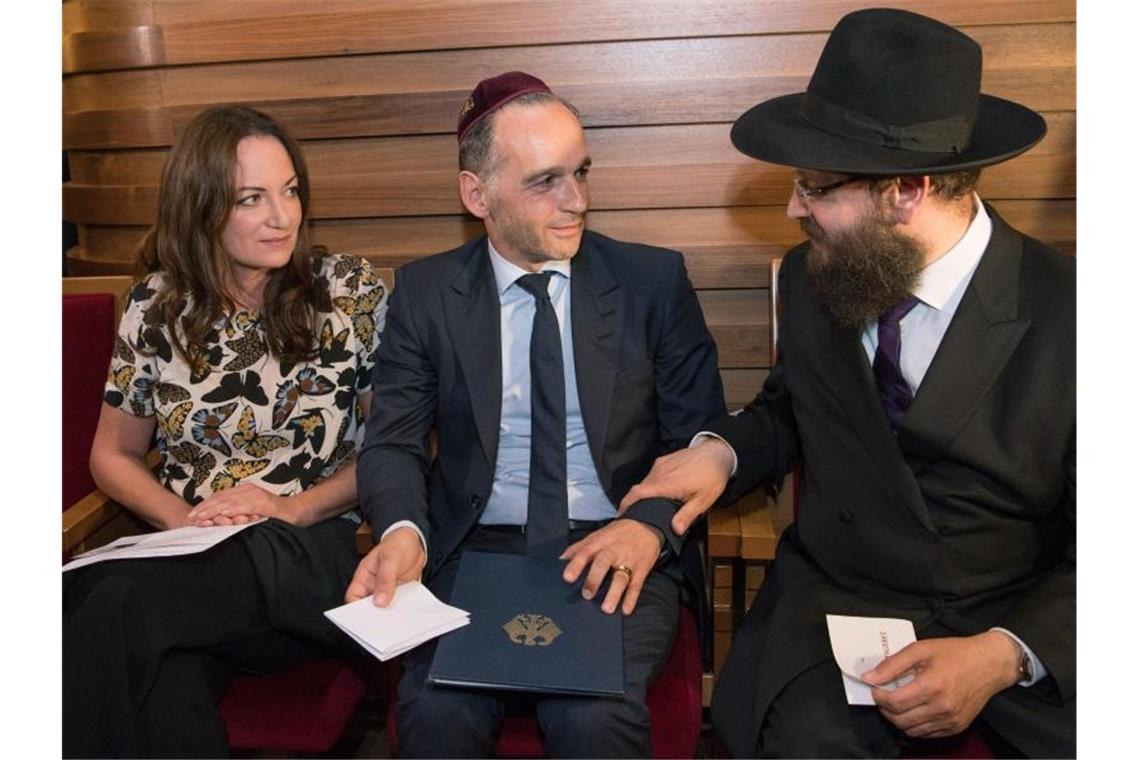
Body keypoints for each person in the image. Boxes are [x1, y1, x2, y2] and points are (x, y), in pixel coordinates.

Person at [620, 9, 1075, 758]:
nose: (794, 208)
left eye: (815, 188)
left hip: (1011, 617)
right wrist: (723, 454)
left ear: (907, 189)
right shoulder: (812, 275)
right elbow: (789, 410)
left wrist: (1003, 653)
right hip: (839, 602)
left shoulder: (1074, 316)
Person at [345, 71, 726, 757]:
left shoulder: (651, 283)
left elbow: (699, 436)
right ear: (476, 194)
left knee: (593, 720)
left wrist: (646, 526)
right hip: (473, 549)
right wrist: (403, 529)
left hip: (617, 538)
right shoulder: (427, 294)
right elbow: (393, 442)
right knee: (436, 711)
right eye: (546, 181)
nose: (576, 200)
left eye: (581, 172)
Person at [62, 105, 387, 758]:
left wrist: (288, 507)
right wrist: (183, 520)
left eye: (290, 191)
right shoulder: (157, 307)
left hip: (310, 553)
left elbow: (394, 451)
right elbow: (113, 454)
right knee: (157, 679)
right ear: (202, 207)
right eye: (252, 199)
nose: (282, 216)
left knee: (100, 606)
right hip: (186, 574)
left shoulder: (348, 292)